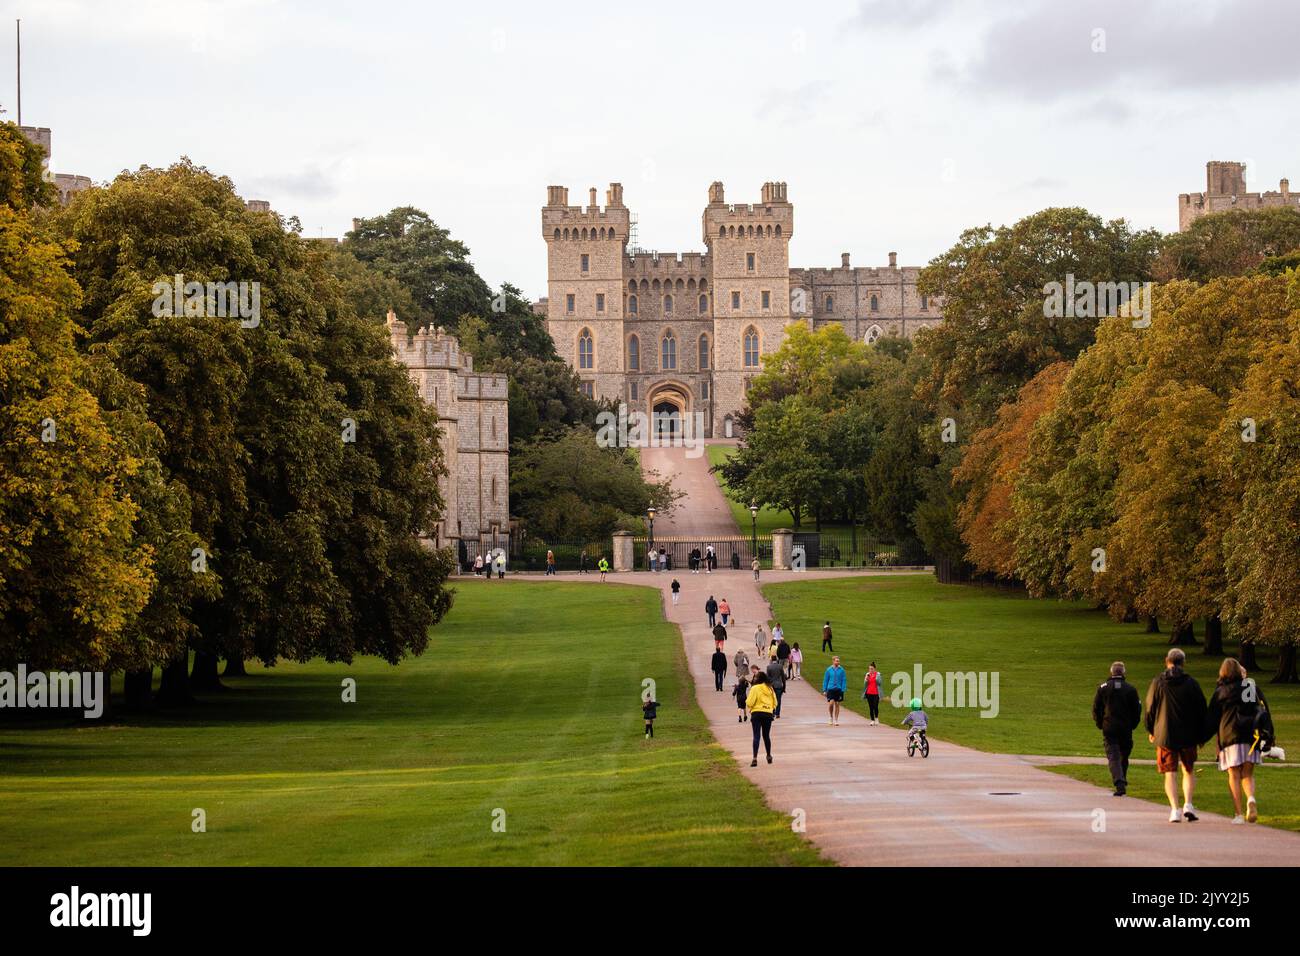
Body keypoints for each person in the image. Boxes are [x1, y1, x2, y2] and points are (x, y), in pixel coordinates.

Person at [1145, 647, 1208, 823]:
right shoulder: (1191, 683)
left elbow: (1150, 708)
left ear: (1167, 660)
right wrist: (1202, 734)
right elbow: (1202, 709)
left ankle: (1175, 809)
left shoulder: (1159, 682)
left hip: (1165, 733)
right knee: (1188, 770)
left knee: (1169, 773)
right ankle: (1188, 803)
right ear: (1184, 662)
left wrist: (1151, 729)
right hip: (1188, 734)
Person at [1205, 657, 1271, 824]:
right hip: (1251, 735)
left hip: (1230, 736)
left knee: (1233, 775)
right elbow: (1263, 710)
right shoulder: (1250, 687)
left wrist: (1203, 737)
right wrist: (1269, 734)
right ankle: (1251, 798)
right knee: (1247, 774)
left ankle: (1239, 814)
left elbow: (1212, 718)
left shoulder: (1221, 691)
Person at [1092, 661, 1141, 796]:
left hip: (1109, 727)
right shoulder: (1130, 689)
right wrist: (1133, 724)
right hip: (1126, 727)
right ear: (1123, 672)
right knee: (1124, 755)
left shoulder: (1103, 688)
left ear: (1111, 672)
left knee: (1114, 755)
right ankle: (1121, 780)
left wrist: (1100, 723)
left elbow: (1096, 709)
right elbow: (1137, 710)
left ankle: (1119, 781)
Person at [746, 672, 776, 766]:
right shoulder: (770, 688)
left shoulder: (755, 688)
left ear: (758, 679)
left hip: (757, 713)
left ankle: (755, 758)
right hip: (767, 713)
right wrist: (770, 709)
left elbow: (750, 702)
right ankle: (768, 755)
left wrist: (750, 704)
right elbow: (775, 702)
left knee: (756, 736)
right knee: (766, 735)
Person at [822, 656, 847, 726]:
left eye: (838, 661)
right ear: (833, 661)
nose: (837, 662)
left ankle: (836, 720)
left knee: (837, 704)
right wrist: (824, 690)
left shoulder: (842, 670)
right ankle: (830, 717)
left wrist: (843, 689)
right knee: (831, 704)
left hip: (839, 689)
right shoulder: (829, 670)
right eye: (836, 661)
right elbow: (825, 680)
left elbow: (844, 680)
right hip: (830, 689)